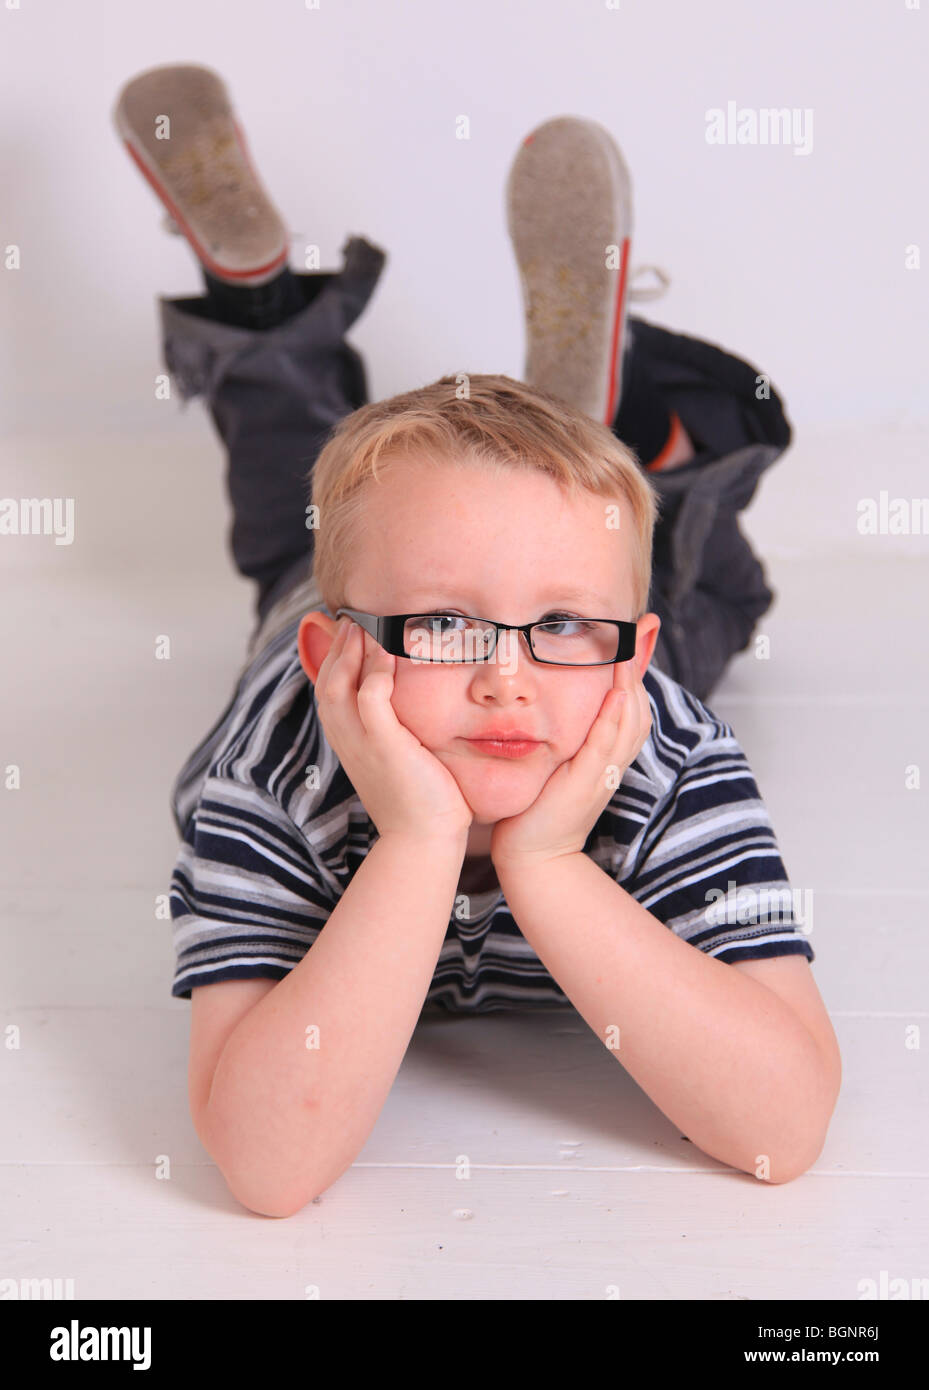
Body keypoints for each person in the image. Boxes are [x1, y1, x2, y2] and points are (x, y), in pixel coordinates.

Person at [114, 64, 840, 1216]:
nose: (504, 680)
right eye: (443, 626)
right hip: (330, 602)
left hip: (511, 647)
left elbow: (782, 1126)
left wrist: (546, 863)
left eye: (557, 622)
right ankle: (570, 440)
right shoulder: (273, 780)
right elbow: (267, 1167)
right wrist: (411, 843)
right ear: (333, 656)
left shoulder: (660, 751)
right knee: (298, 533)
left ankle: (267, 312)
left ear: (633, 656)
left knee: (671, 586)